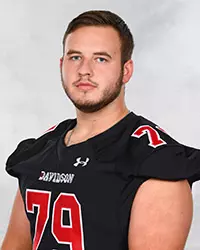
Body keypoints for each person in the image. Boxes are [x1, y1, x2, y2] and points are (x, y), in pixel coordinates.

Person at [1, 9, 200, 250]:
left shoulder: (156, 161)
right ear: (62, 64)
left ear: (126, 71)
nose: (85, 70)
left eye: (101, 59)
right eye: (75, 57)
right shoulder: (41, 150)